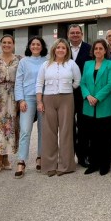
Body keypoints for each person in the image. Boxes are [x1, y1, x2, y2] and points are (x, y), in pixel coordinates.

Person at [36, 38, 81, 176]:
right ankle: (49, 165)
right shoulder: (45, 65)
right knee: (49, 132)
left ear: (67, 50)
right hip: (48, 99)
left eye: (63, 48)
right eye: (58, 47)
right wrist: (39, 102)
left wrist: (68, 88)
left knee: (66, 131)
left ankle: (65, 165)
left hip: (66, 99)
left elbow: (77, 81)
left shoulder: (71, 64)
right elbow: (39, 83)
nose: (61, 50)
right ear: (54, 49)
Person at [80, 39, 111, 175]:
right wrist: (88, 96)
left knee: (105, 138)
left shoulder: (110, 64)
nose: (98, 51)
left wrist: (97, 97)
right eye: (96, 48)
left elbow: (110, 84)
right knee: (92, 137)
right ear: (93, 50)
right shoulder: (87, 64)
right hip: (89, 105)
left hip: (105, 105)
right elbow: (83, 83)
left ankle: (105, 164)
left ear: (105, 50)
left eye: (101, 48)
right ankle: (93, 164)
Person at [14, 36, 48, 178]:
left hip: (44, 98)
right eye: (33, 44)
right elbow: (18, 81)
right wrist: (20, 100)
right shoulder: (24, 61)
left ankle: (40, 157)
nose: (35, 46)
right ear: (29, 46)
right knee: (25, 130)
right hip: (27, 98)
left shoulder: (47, 61)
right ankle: (21, 161)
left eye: (38, 44)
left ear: (42, 46)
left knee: (43, 130)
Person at [0, 34, 21, 173]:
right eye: (4, 42)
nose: (7, 45)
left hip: (14, 96)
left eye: (9, 42)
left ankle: (6, 158)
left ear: (13, 44)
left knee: (11, 127)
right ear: (0, 44)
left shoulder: (19, 59)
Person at [68, 24, 92, 168]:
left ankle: (83, 156)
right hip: (66, 94)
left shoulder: (89, 49)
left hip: (84, 94)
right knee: (68, 126)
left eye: (78, 32)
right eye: (72, 33)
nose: (75, 35)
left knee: (84, 126)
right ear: (68, 35)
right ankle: (69, 156)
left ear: (82, 34)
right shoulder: (63, 48)